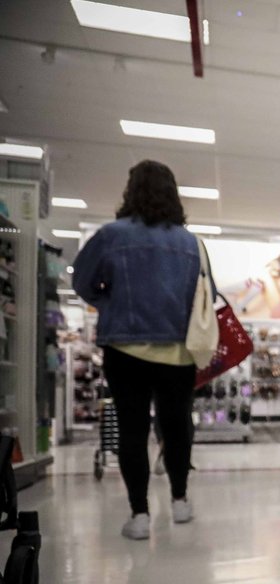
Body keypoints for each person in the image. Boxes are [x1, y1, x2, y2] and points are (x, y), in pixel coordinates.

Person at [72, 160, 210, 540]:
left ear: (130, 191)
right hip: (178, 352)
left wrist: (109, 301)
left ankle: (140, 516)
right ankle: (180, 501)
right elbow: (201, 297)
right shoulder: (189, 242)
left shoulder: (111, 235)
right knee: (177, 426)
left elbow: (83, 283)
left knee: (132, 430)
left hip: (125, 349)